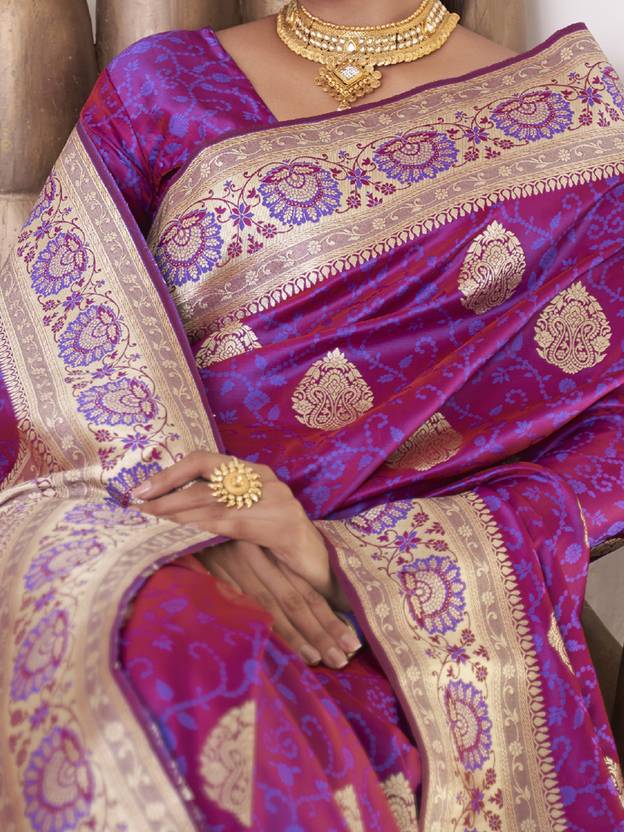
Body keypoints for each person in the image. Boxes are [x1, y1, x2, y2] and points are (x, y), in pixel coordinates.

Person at [2, 1, 624, 829]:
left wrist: (337, 559)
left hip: (372, 592)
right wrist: (204, 513)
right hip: (127, 506)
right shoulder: (160, 85)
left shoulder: (576, 118)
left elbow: (609, 441)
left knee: (246, 676)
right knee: (149, 630)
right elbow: (49, 336)